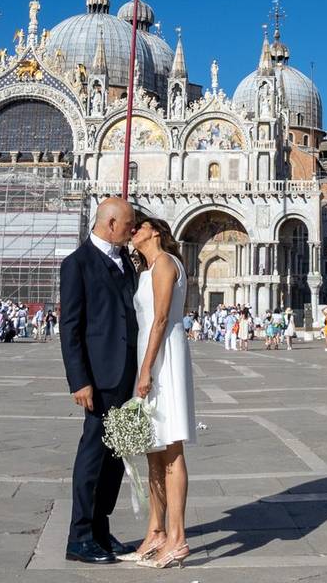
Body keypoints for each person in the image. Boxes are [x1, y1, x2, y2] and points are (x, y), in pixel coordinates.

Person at [60, 197, 139, 565]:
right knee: (93, 456)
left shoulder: (125, 261)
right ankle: (79, 536)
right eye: (128, 224)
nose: (132, 229)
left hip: (125, 374)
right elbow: (70, 327)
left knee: (114, 457)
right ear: (109, 224)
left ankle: (101, 530)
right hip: (99, 377)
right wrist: (80, 381)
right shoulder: (77, 264)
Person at [124, 217, 196, 569]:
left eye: (138, 225)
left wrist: (146, 371)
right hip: (150, 356)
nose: (132, 230)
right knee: (154, 451)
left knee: (171, 450)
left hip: (163, 359)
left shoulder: (166, 262)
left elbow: (162, 318)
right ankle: (156, 533)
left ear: (155, 230)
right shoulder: (148, 268)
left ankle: (178, 538)